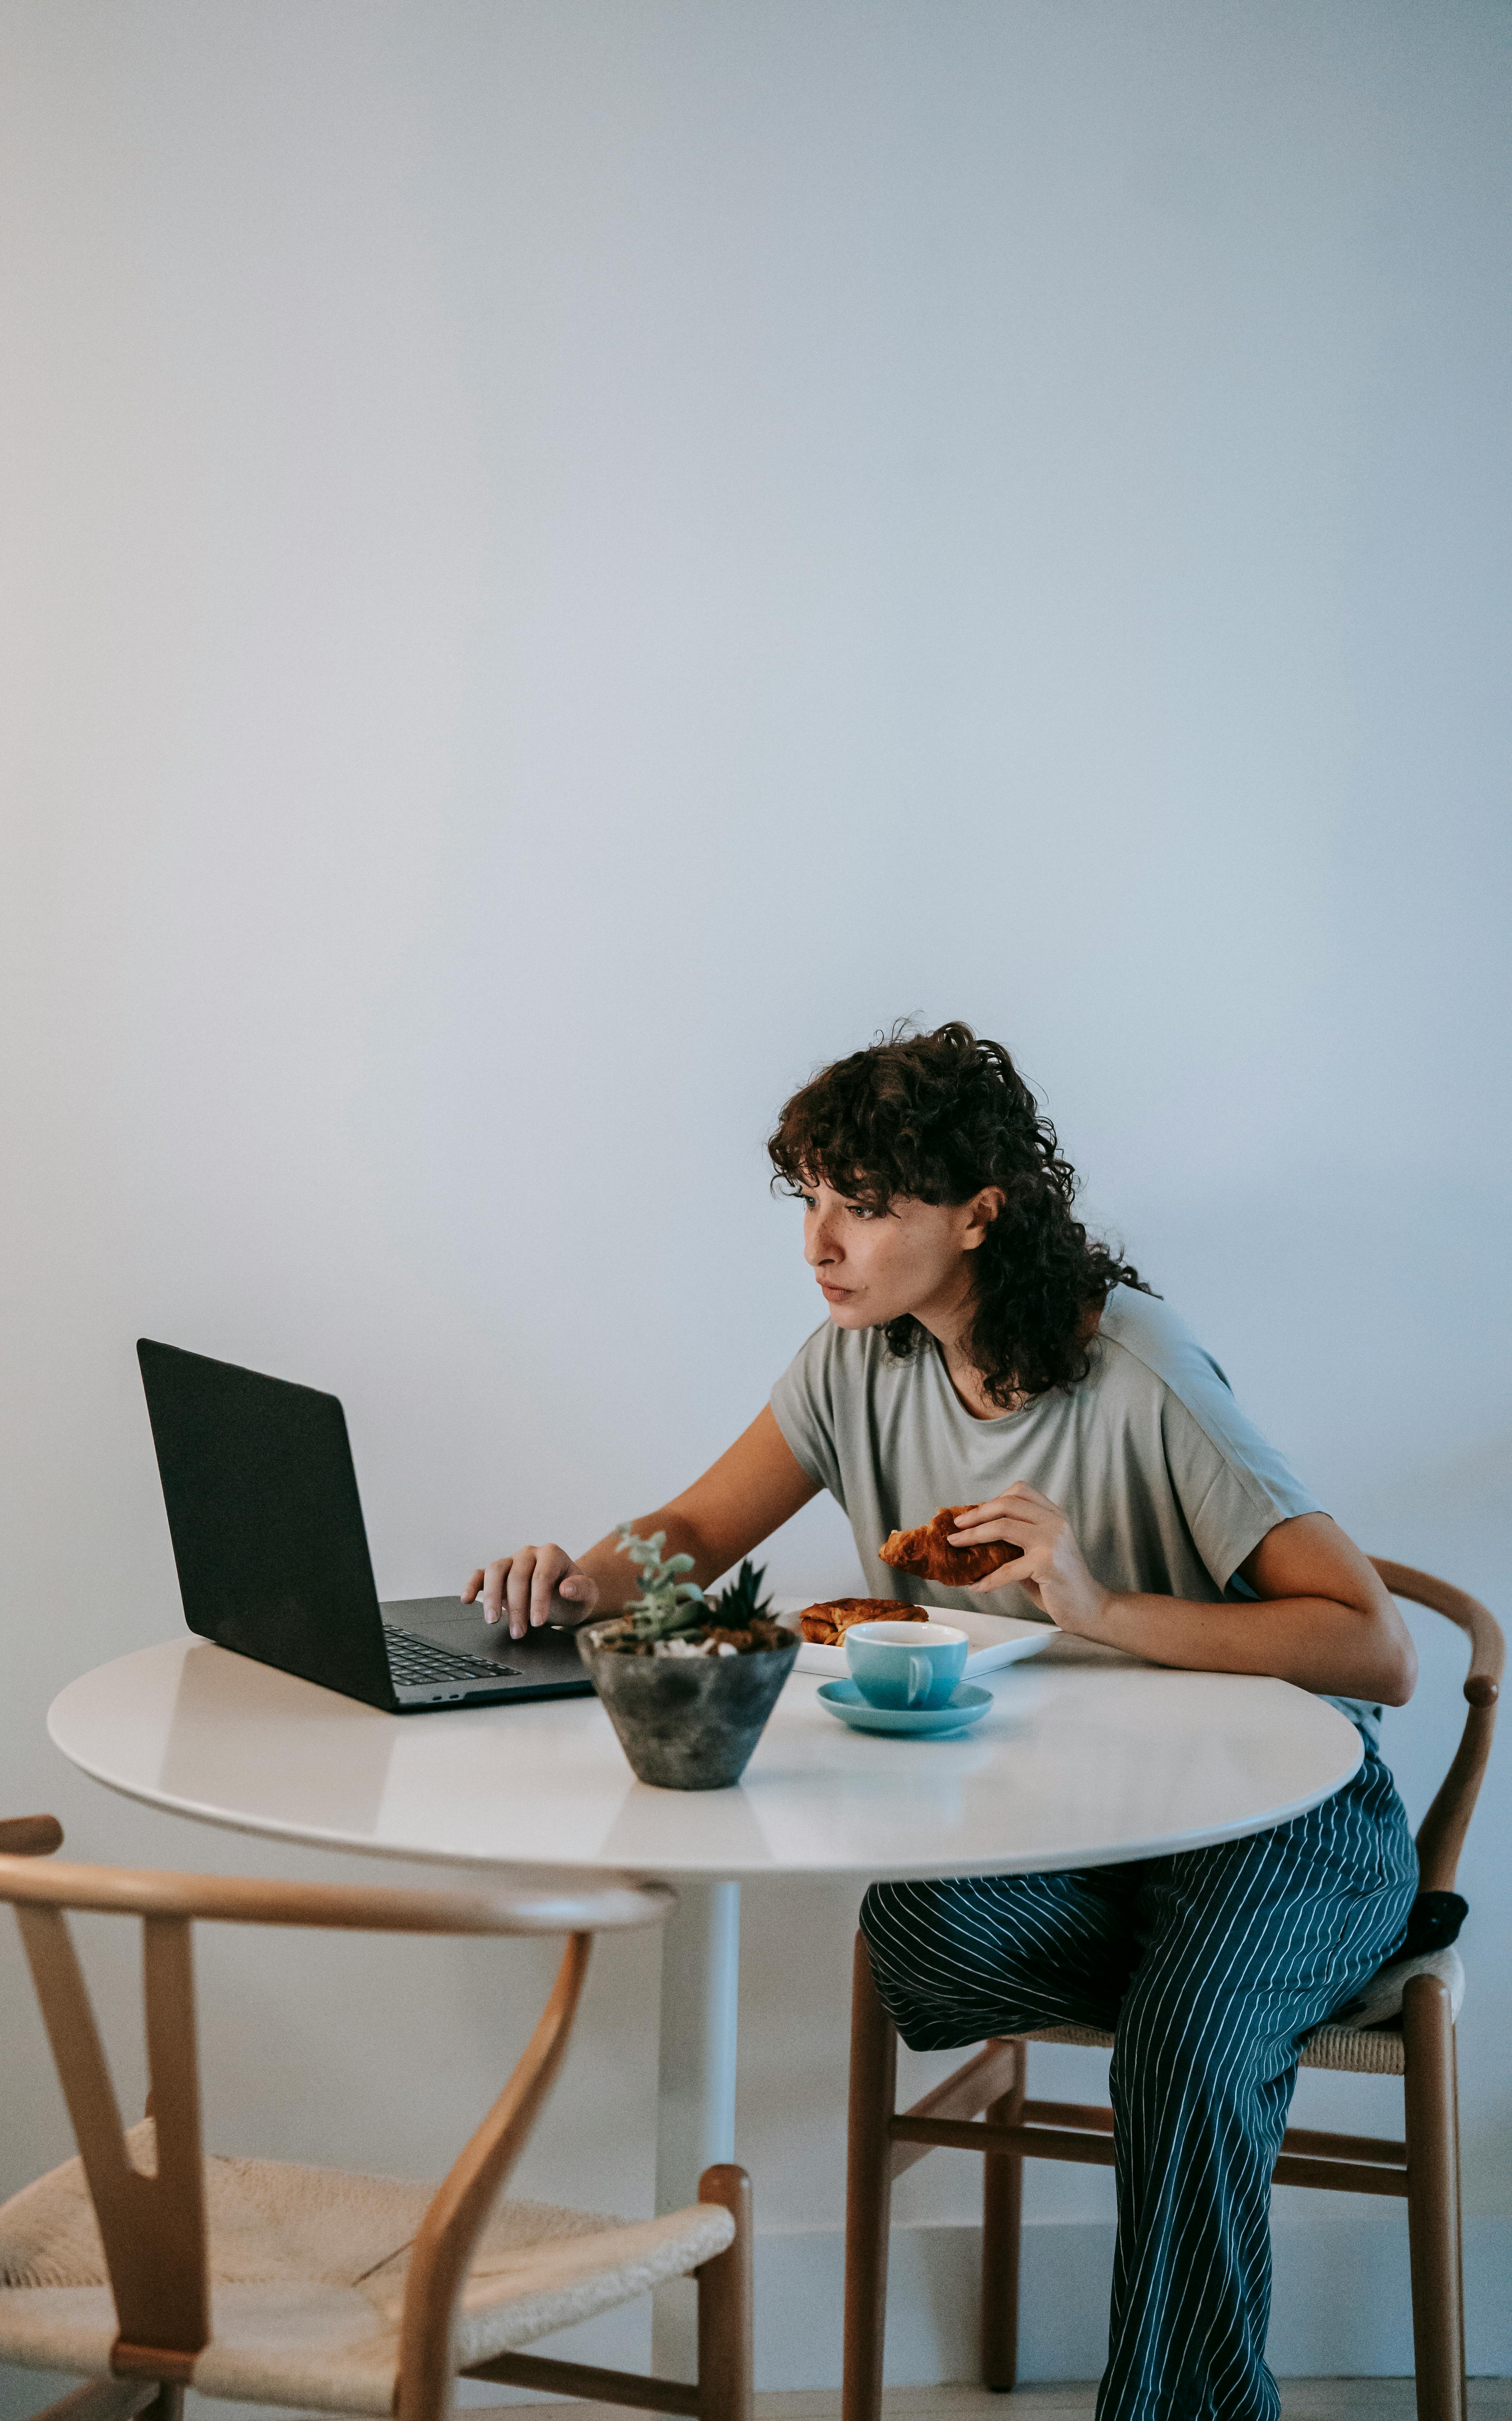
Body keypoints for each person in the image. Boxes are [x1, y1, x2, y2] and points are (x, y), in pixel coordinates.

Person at [464, 1021, 1417, 2421]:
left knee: (1193, 2036)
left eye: (864, 1204)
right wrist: (578, 1579)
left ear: (979, 1213)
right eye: (809, 1199)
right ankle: (1222, 1988)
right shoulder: (856, 1363)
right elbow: (689, 1525)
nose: (820, 1242)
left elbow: (1372, 1647)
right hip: (1087, 1834)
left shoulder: (1137, 1369)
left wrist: (1092, 1604)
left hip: (1280, 1821)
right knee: (917, 1931)